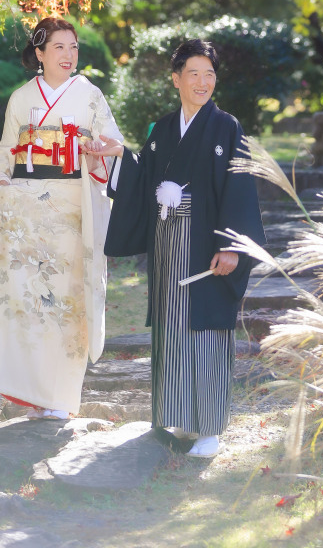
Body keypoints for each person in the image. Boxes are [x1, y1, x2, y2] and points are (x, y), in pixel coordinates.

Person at [103, 38, 265, 458]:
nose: (202, 81)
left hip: (207, 241)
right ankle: (173, 415)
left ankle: (209, 428)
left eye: (209, 74)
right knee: (173, 326)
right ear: (176, 79)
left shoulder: (227, 127)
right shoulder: (160, 130)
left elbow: (239, 188)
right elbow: (142, 180)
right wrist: (121, 155)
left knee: (207, 327)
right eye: (193, 73)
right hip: (166, 239)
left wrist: (232, 246)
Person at [0, 16, 124, 419]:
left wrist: (96, 148)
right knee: (28, 298)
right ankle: (29, 393)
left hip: (71, 205)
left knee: (67, 301)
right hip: (27, 209)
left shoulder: (89, 95)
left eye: (74, 47)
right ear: (40, 54)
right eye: (60, 47)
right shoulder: (21, 98)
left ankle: (61, 398)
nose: (69, 55)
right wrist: (3, 182)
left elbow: (116, 144)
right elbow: (5, 151)